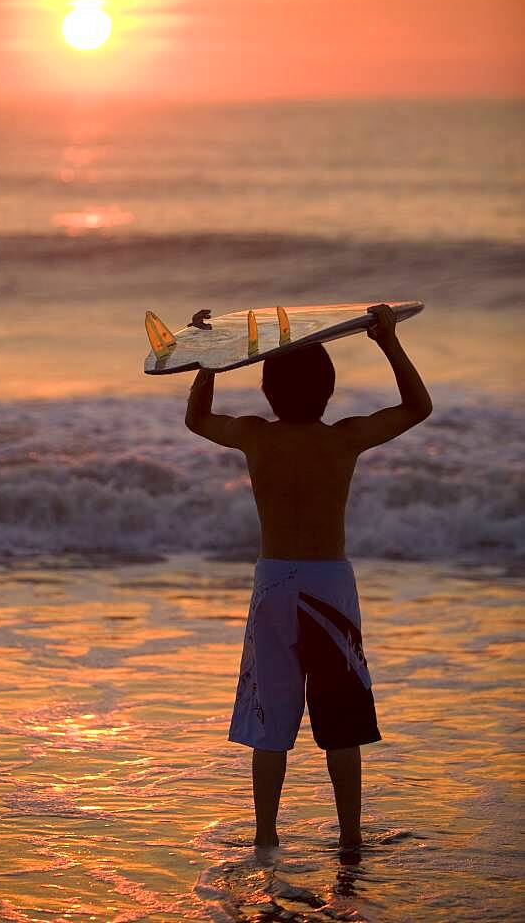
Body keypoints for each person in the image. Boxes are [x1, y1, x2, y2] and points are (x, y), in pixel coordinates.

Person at [185, 304, 432, 852]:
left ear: (269, 392)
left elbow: (197, 421)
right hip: (329, 587)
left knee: (270, 718)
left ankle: (266, 837)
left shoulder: (257, 437)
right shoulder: (343, 439)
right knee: (341, 718)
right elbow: (418, 407)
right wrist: (386, 341)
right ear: (329, 391)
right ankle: (349, 838)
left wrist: (212, 363)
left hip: (273, 583)